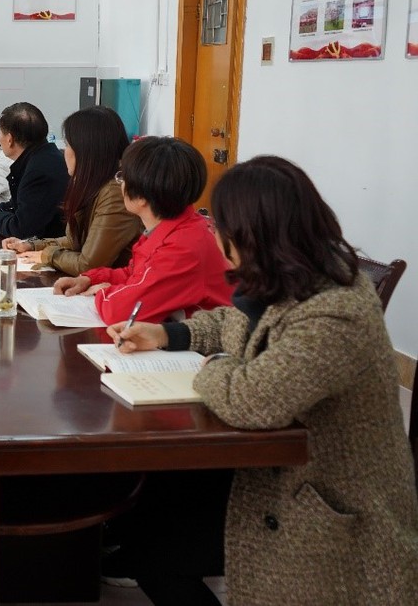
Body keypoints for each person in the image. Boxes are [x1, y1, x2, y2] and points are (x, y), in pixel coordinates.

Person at [107, 156, 418, 604]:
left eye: (219, 224)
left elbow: (251, 400)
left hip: (327, 505)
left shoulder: (337, 310)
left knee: (157, 553)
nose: (213, 232)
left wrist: (214, 366)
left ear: (249, 235)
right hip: (275, 469)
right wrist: (167, 334)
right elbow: (230, 322)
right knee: (152, 513)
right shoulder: (287, 276)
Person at [53, 135, 232, 324]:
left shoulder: (183, 246)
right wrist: (89, 279)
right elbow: (134, 274)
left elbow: (122, 311)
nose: (120, 184)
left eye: (123, 177)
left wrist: (103, 292)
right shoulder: (169, 229)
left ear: (141, 197)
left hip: (208, 341)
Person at [2, 106, 141, 275]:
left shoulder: (115, 193)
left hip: (114, 285)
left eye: (68, 144)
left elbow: (89, 265)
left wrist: (47, 255)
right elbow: (74, 241)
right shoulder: (94, 184)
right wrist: (31, 245)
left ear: (85, 150)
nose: (64, 151)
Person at [0, 102, 67, 239]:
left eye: (0, 133)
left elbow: (21, 228)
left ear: (9, 139)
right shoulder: (41, 157)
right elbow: (13, 207)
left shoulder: (39, 170)